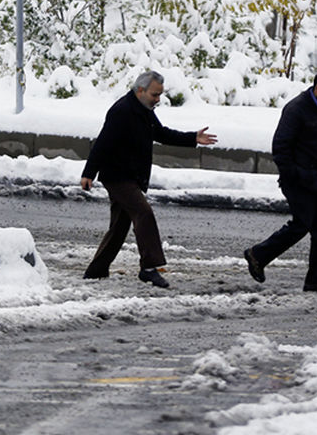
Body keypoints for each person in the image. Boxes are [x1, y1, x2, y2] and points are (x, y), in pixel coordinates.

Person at [80, 70, 218, 288]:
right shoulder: (121, 111)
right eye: (155, 95)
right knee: (143, 213)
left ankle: (96, 270)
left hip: (132, 176)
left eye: (160, 95)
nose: (158, 100)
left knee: (119, 226)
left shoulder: (143, 109)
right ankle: (149, 268)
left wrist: (193, 138)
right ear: (140, 90)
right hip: (117, 176)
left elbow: (161, 133)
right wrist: (88, 173)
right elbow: (102, 143)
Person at [244, 69, 317, 293]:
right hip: (298, 179)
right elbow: (280, 147)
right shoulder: (296, 109)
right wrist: (293, 175)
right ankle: (257, 254)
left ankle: (316, 279)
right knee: (302, 225)